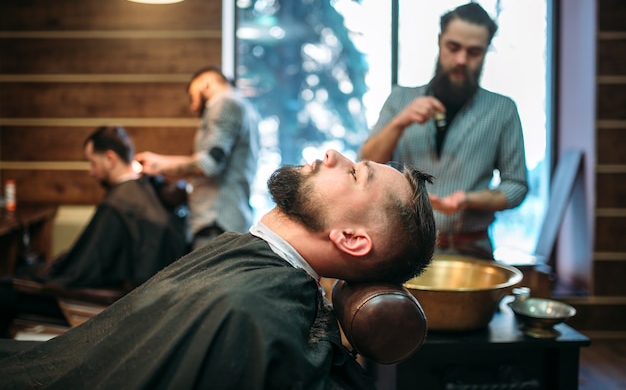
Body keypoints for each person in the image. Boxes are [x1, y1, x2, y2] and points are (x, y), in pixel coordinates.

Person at [0, 149, 436, 389]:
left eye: (356, 174)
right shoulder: (249, 263)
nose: (332, 154)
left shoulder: (251, 312)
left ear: (352, 239)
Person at [360, 2, 529, 260]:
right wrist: (400, 122)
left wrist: (469, 199)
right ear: (440, 42)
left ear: (486, 52)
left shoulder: (503, 110)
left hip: (471, 251)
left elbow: (516, 186)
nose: (461, 60)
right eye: (453, 48)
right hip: (402, 249)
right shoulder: (399, 99)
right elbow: (366, 163)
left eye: (474, 52)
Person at [0, 126, 188, 336]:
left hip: (105, 303)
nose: (91, 172)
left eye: (92, 163)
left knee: (5, 291)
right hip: (145, 300)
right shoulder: (146, 191)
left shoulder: (117, 204)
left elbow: (83, 270)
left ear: (110, 158)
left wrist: (46, 277)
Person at [135, 66, 260, 250]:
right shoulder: (246, 109)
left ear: (205, 84)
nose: (193, 107)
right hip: (227, 221)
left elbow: (209, 165)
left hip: (215, 223)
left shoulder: (224, 104)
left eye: (192, 96)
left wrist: (158, 164)